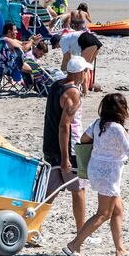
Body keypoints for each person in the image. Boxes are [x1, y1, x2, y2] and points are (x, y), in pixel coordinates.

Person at [63, 93, 129, 256]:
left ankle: (120, 249)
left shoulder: (97, 124)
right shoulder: (116, 128)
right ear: (121, 109)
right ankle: (74, 244)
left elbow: (83, 139)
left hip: (96, 170)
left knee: (118, 210)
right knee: (103, 213)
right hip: (108, 174)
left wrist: (100, 148)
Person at [43, 56, 94, 234]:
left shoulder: (56, 85)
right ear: (80, 73)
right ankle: (82, 233)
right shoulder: (73, 93)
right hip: (68, 148)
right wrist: (65, 158)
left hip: (50, 145)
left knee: (49, 192)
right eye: (86, 71)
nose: (87, 74)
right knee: (78, 190)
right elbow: (64, 126)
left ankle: (35, 227)